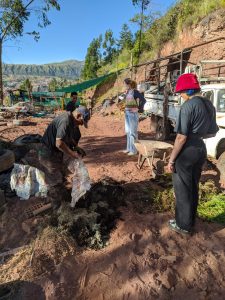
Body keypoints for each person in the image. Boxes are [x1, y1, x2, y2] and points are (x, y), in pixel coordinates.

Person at [168, 73, 218, 235]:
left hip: (187, 150)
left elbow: (181, 137)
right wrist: (198, 135)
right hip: (200, 148)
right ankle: (190, 220)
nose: (180, 96)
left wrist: (171, 159)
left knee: (182, 188)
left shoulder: (188, 106)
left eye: (181, 93)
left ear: (188, 91)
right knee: (193, 186)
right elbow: (212, 133)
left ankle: (183, 226)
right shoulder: (209, 104)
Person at [39, 108, 88, 186]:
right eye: (81, 122)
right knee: (54, 181)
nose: (81, 125)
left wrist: (76, 147)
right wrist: (72, 154)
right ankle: (52, 195)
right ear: (79, 116)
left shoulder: (71, 121)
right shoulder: (65, 121)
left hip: (55, 152)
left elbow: (68, 136)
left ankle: (59, 188)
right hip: (48, 151)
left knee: (61, 175)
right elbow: (59, 143)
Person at [122, 78, 146, 156]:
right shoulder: (128, 92)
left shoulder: (135, 92)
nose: (124, 86)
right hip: (127, 113)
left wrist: (139, 108)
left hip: (133, 114)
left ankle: (134, 150)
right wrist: (123, 95)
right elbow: (122, 100)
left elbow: (143, 100)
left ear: (128, 84)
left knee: (133, 132)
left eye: (125, 84)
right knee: (128, 132)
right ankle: (129, 149)